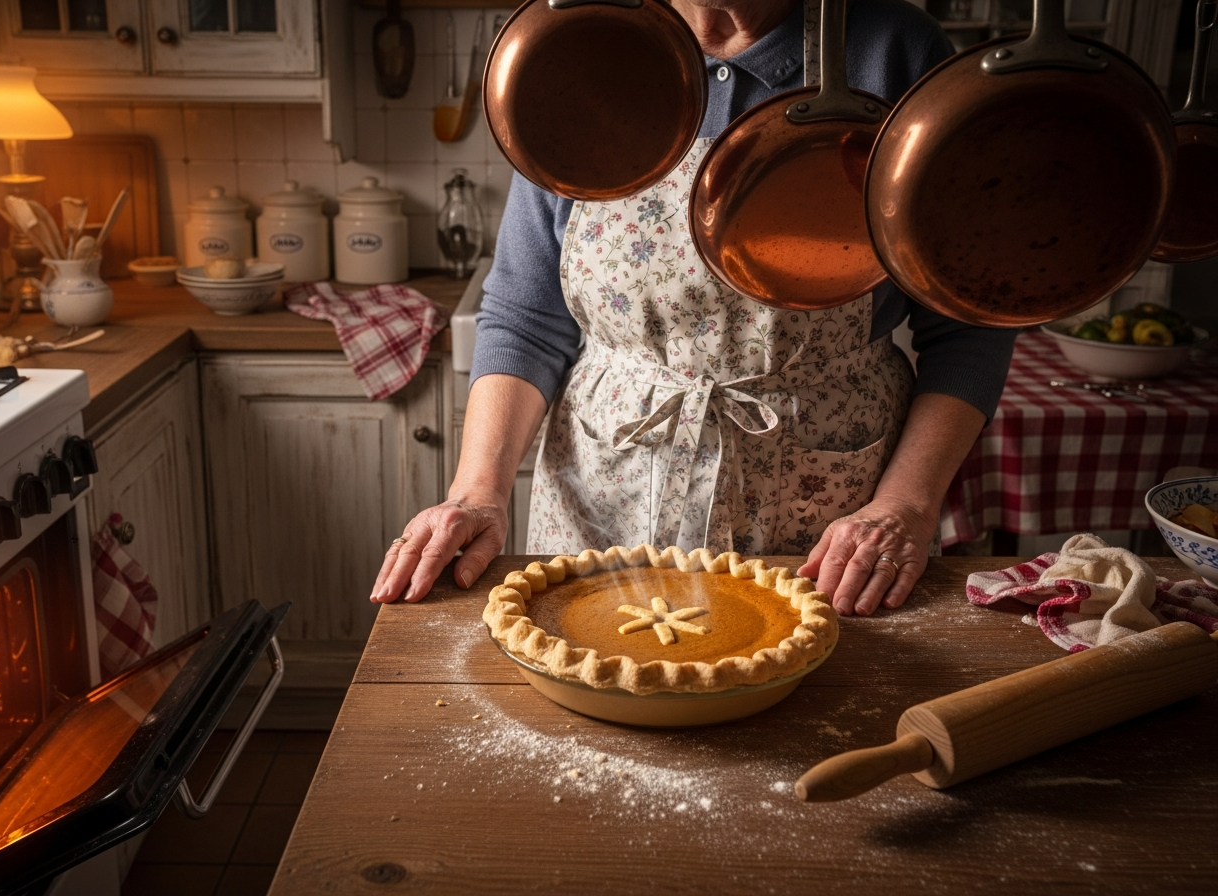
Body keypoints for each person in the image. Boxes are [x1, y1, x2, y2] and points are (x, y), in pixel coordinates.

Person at [371, 0, 1017, 617]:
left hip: (826, 537)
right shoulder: (579, 53)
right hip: (602, 507)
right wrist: (478, 491)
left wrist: (905, 504)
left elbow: (967, 324)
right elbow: (526, 314)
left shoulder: (894, 55)